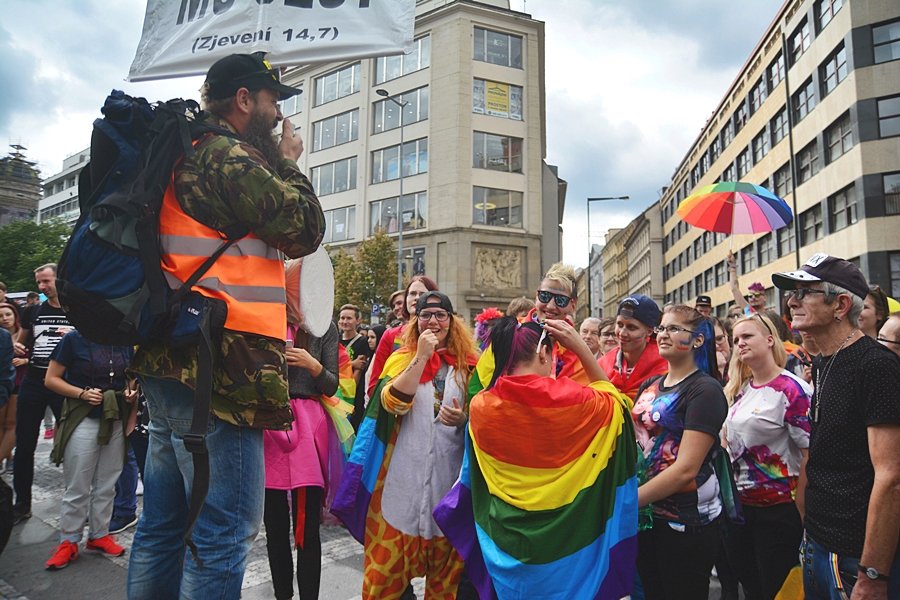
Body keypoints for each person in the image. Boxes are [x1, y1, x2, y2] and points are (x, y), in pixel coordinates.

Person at [126, 52, 325, 599]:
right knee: (222, 534)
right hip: (223, 373)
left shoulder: (182, 153)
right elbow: (305, 228)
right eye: (270, 101)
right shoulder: (227, 158)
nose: (275, 113)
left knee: (163, 527)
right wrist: (288, 160)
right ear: (244, 100)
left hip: (174, 360)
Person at [434, 316, 638, 599]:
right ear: (544, 353)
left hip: (506, 546)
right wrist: (581, 349)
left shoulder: (482, 405)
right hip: (568, 547)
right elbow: (619, 407)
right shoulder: (579, 402)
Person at [332, 291, 478, 599]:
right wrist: (422, 356)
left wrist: (465, 419)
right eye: (426, 315)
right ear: (415, 321)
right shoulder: (401, 359)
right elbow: (392, 403)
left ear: (452, 322)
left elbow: (483, 421)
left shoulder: (469, 368)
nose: (433, 321)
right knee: (381, 586)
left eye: (441, 315)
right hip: (398, 497)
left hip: (446, 497)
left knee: (445, 590)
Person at [773, 254, 900, 599]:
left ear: (840, 304)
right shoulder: (825, 359)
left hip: (854, 558)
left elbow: (891, 477)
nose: (791, 300)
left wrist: (873, 574)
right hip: (818, 544)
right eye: (792, 291)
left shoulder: (876, 367)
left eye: (804, 292)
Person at [264, 258, 346, 600]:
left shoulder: (324, 327)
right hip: (271, 424)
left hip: (310, 427)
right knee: (275, 527)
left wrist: (313, 365)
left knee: (307, 528)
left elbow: (331, 385)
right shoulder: (266, 319)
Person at [632, 305, 728, 600]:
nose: (663, 334)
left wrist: (629, 502)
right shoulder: (651, 385)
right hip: (648, 518)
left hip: (685, 521)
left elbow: (686, 468)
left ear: (697, 340)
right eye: (661, 328)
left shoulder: (705, 390)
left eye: (674, 329)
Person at [723, 313, 811, 600]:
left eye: (747, 336)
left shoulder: (792, 389)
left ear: (770, 339)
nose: (740, 344)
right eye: (736, 340)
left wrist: (802, 512)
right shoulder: (741, 389)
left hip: (779, 511)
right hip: (741, 509)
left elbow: (810, 454)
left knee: (778, 588)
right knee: (752, 585)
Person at [43, 331, 136, 570]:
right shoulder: (73, 340)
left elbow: (130, 377)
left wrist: (129, 392)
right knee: (77, 484)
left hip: (115, 416)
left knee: (108, 482)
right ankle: (68, 540)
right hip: (83, 416)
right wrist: (81, 393)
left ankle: (99, 534)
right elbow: (51, 378)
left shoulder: (123, 340)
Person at [12, 264, 73, 525]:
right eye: (38, 283)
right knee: (24, 443)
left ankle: (75, 504)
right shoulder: (33, 311)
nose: (41, 287)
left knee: (73, 445)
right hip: (35, 382)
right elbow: (21, 342)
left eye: (46, 281)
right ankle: (22, 503)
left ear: (60, 280)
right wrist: (16, 347)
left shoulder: (77, 312)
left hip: (66, 383)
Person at [366, 275, 439, 400]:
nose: (416, 297)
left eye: (422, 294)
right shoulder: (391, 335)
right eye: (412, 294)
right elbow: (375, 384)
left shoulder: (441, 334)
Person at [598, 295, 667, 400]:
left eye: (631, 327)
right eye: (620, 325)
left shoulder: (665, 365)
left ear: (649, 331)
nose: (622, 333)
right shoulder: (602, 364)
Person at [0, 303, 26, 473]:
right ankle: (7, 456)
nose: (5, 318)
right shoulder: (3, 337)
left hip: (18, 381)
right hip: (5, 382)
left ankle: (4, 457)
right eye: (1, 316)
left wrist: (25, 360)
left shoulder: (24, 334)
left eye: (8, 314)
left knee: (12, 423)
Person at [339, 304, 372, 428]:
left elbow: (359, 369)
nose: (344, 321)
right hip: (334, 390)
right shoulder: (335, 339)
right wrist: (351, 363)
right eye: (342, 318)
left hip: (351, 393)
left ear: (358, 321)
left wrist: (349, 396)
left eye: (349, 318)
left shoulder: (362, 342)